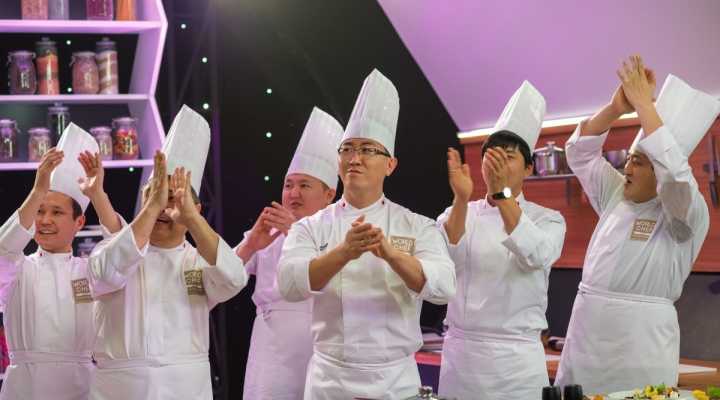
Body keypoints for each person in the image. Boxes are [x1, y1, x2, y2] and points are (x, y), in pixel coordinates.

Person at [277, 69, 456, 400]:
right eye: (347, 149)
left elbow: (443, 288)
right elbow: (289, 284)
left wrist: (390, 253)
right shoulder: (311, 226)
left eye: (368, 149)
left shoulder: (417, 226)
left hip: (395, 381)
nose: (355, 159)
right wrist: (344, 252)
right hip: (330, 380)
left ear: (390, 165)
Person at [555, 56, 718, 394]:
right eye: (629, 159)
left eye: (639, 162)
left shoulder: (685, 213)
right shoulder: (616, 194)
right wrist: (616, 108)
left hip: (639, 349)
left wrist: (646, 105)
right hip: (586, 343)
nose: (627, 168)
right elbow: (579, 153)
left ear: (660, 169)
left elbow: (676, 177)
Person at [87, 106, 248, 400]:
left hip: (187, 389)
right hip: (120, 389)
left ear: (194, 209)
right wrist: (153, 206)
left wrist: (191, 219)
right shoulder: (111, 249)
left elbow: (235, 279)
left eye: (172, 198)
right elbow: (107, 273)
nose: (163, 207)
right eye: (154, 194)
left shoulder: (200, 261)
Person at [437, 81, 566, 399]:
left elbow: (537, 254)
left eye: (508, 157)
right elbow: (443, 260)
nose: (497, 164)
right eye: (491, 157)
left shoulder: (548, 219)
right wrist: (460, 199)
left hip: (515, 363)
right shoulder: (460, 211)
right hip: (461, 358)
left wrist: (501, 193)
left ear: (529, 168)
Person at [0, 124, 122, 400]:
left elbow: (124, 253)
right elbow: (3, 250)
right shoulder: (18, 268)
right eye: (40, 211)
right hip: (25, 387)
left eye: (56, 212)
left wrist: (98, 195)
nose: (44, 220)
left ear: (79, 222)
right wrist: (37, 191)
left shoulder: (90, 270)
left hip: (80, 386)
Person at [238, 107, 343, 399]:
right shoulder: (268, 229)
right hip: (269, 345)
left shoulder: (339, 232)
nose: (293, 194)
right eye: (288, 185)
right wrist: (250, 245)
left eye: (304, 185)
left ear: (329, 194)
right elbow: (224, 275)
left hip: (320, 341)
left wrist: (294, 232)